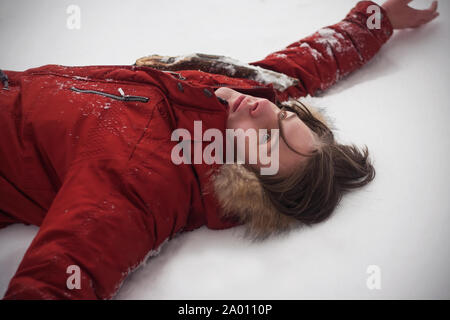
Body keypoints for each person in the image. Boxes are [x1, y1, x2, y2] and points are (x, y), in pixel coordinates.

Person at [0, 0, 439, 299]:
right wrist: (378, 19)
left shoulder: (143, 182)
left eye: (268, 141)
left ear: (246, 177)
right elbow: (305, 64)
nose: (268, 114)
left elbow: (64, 274)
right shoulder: (251, 98)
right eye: (286, 118)